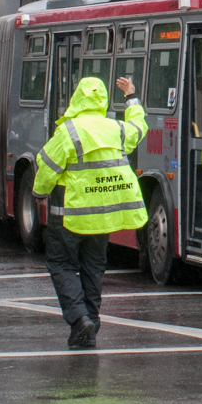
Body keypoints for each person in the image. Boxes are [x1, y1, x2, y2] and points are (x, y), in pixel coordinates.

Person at [33, 76, 147, 349]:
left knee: (61, 265)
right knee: (94, 269)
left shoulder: (69, 132)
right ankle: (90, 325)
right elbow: (138, 127)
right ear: (102, 99)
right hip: (102, 217)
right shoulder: (115, 129)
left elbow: (46, 167)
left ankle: (79, 318)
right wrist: (131, 97)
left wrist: (39, 194)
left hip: (69, 217)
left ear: (77, 98)